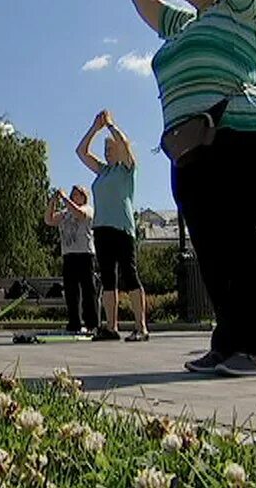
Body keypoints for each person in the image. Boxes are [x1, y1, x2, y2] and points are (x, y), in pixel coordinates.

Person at [134, 0, 256, 375]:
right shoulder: (182, 24)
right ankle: (228, 342)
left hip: (237, 133)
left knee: (242, 237)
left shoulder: (238, 6)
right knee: (211, 249)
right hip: (189, 146)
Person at [77, 110, 148, 342]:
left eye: (110, 149)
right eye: (105, 150)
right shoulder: (103, 171)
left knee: (130, 276)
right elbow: (81, 152)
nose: (107, 152)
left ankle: (141, 327)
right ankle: (111, 327)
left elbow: (126, 144)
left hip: (122, 229)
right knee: (108, 279)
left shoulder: (126, 169)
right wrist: (94, 128)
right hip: (102, 229)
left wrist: (110, 126)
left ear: (119, 150)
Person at [45, 186, 99, 334]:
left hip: (84, 254)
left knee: (88, 290)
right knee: (71, 291)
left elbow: (79, 214)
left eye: (78, 195)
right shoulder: (64, 214)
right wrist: (53, 202)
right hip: (68, 254)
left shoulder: (88, 209)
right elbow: (49, 220)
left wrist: (64, 198)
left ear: (84, 197)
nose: (75, 197)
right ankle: (74, 323)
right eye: (73, 194)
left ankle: (92, 323)